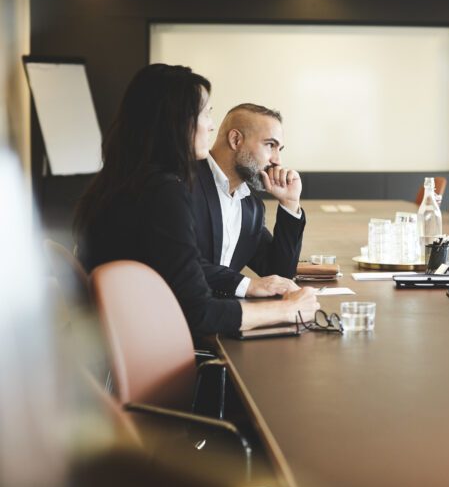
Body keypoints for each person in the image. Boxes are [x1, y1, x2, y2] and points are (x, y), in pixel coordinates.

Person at [75, 64, 318, 337]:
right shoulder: (167, 191)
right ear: (176, 121)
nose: (211, 125)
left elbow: (277, 275)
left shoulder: (126, 181)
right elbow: (196, 310)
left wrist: (290, 204)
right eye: (205, 113)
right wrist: (285, 311)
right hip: (155, 344)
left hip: (124, 341)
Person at [190, 103, 305, 299]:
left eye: (280, 149)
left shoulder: (251, 208)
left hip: (224, 320)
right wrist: (247, 285)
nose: (277, 160)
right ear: (236, 140)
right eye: (270, 145)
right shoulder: (183, 183)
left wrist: (290, 203)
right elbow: (180, 263)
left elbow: (280, 273)